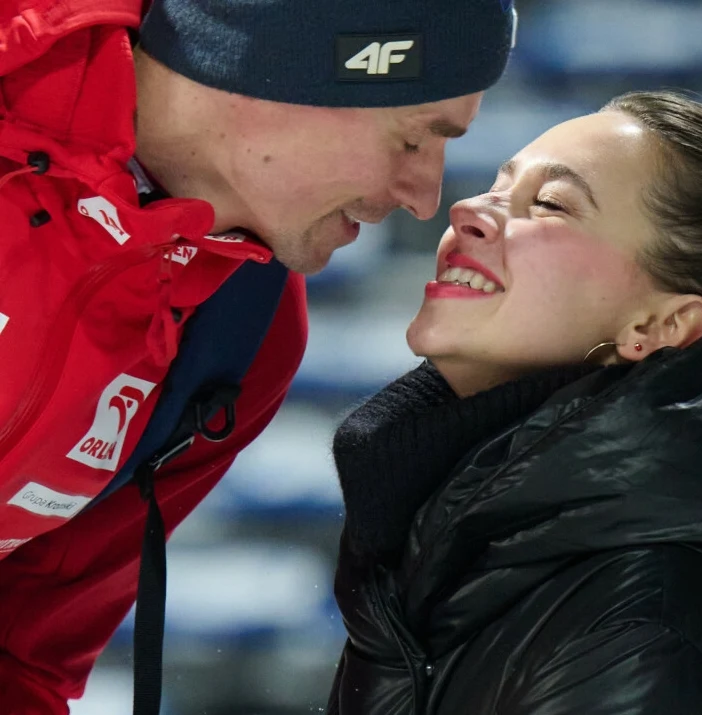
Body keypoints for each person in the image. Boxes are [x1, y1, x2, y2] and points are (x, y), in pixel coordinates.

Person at [0, 0, 517, 711]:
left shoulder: (244, 329)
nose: (425, 198)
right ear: (289, 74)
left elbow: (21, 659)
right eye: (412, 140)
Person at [326, 91, 702, 715]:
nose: (468, 209)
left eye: (548, 204)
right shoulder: (474, 540)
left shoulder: (652, 617)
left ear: (663, 325)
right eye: (498, 186)